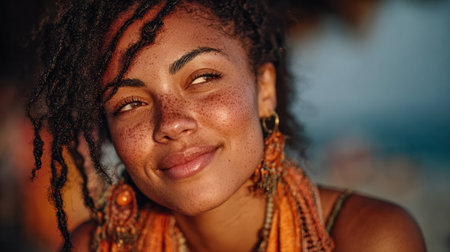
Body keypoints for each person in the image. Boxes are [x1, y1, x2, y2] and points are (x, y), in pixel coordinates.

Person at [27, 0, 426, 251]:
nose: (172, 123)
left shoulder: (371, 239)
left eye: (202, 79)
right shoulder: (95, 246)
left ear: (265, 89)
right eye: (130, 102)